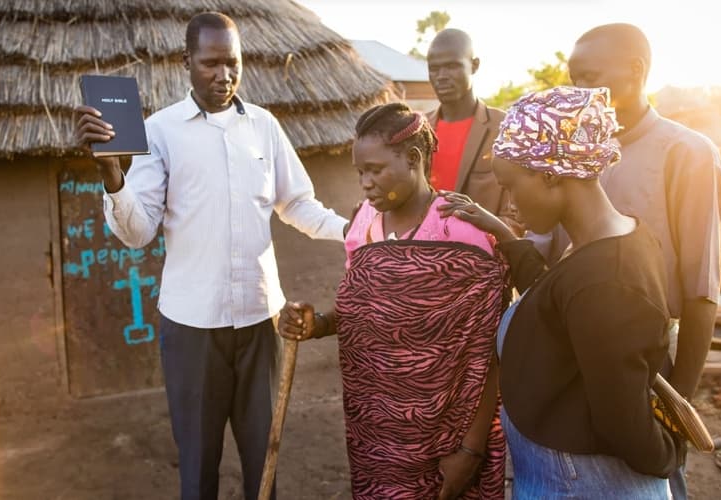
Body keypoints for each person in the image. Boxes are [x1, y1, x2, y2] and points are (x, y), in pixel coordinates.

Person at [74, 12, 348, 500]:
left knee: (264, 464)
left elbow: (297, 204)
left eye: (233, 63)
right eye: (211, 64)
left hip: (262, 324)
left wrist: (358, 233)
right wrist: (113, 175)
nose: (223, 75)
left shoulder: (264, 126)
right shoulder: (158, 132)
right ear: (187, 63)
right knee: (198, 468)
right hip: (192, 330)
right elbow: (137, 233)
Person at [441, 86, 684, 498]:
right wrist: (503, 234)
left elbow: (622, 417)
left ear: (550, 176)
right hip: (564, 474)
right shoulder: (601, 244)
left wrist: (666, 457)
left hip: (586, 484)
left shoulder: (609, 280)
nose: (510, 204)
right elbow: (557, 298)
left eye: (512, 187)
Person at [529, 24, 721, 498]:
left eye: (590, 76)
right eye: (573, 79)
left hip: (650, 359)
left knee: (653, 477)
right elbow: (547, 252)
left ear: (636, 70)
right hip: (570, 349)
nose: (580, 91)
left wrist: (677, 404)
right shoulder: (572, 153)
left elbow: (702, 290)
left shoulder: (688, 153)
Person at [278, 102, 508, 499]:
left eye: (376, 170)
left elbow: (487, 353)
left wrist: (470, 450)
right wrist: (316, 324)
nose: (365, 183)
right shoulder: (363, 224)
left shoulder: (459, 230)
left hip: (448, 441)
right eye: (360, 172)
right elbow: (362, 310)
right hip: (378, 438)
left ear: (414, 159)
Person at [425, 29, 522, 235]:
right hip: (423, 257)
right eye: (434, 68)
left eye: (452, 66)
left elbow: (519, 215)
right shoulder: (419, 131)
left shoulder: (506, 128)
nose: (441, 76)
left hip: (485, 257)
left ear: (474, 65)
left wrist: (475, 242)